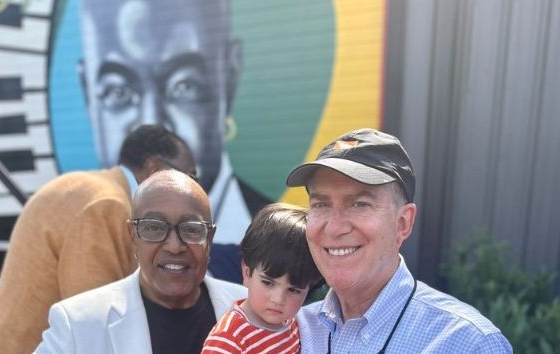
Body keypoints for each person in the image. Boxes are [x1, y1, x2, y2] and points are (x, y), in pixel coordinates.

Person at [77, 0, 271, 283]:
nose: (151, 117)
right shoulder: (106, 205)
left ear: (229, 75)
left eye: (183, 86)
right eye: (119, 92)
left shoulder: (266, 229)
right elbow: (92, 314)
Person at [0, 125, 197, 354]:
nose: (193, 189)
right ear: (154, 167)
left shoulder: (88, 187)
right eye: (188, 176)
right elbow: (95, 326)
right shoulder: (107, 205)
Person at [285, 128, 513, 353]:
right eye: (320, 205)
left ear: (403, 223)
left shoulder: (468, 344)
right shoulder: (290, 330)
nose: (334, 227)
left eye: (359, 204)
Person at [33, 170, 247, 353]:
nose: (174, 246)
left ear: (209, 238)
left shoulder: (253, 309)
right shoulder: (78, 324)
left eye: (191, 229)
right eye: (154, 228)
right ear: (132, 235)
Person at [202, 203, 322, 354]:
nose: (278, 299)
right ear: (247, 273)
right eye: (268, 282)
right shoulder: (229, 337)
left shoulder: (295, 324)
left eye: (293, 290)